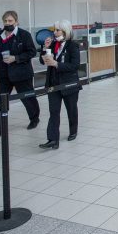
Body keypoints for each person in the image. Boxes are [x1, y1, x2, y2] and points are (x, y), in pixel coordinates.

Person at [0, 11, 40, 141]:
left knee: (28, 98)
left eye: (10, 21)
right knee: (1, 102)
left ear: (16, 22)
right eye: (5, 21)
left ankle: (34, 118)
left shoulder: (24, 35)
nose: (7, 23)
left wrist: (15, 58)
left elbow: (32, 52)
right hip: (4, 75)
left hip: (21, 74)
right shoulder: (1, 35)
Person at [39, 20, 80, 149]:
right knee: (54, 112)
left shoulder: (73, 46)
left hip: (69, 84)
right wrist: (45, 48)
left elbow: (74, 65)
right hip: (53, 83)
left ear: (65, 31)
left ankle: (73, 131)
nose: (55, 33)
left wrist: (56, 64)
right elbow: (42, 60)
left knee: (71, 109)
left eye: (58, 30)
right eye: (54, 30)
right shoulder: (52, 44)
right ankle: (52, 139)